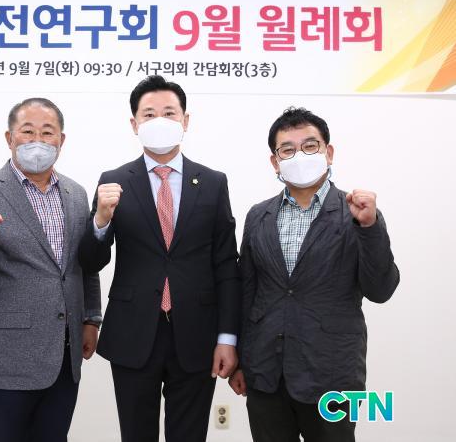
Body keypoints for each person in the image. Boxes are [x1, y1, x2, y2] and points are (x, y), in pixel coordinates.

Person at [78, 75, 241, 442]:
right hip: (133, 331)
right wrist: (100, 220)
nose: (160, 121)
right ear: (134, 124)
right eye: (149, 114)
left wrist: (227, 337)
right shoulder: (113, 180)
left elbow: (226, 265)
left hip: (197, 332)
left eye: (169, 113)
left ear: (185, 120)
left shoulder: (213, 182)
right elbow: (90, 261)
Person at [228, 107, 400, 442]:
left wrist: (370, 227)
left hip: (333, 375)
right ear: (275, 161)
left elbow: (381, 289)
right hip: (266, 373)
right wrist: (241, 362)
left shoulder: (356, 212)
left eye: (310, 146)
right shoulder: (259, 215)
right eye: (288, 149)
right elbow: (247, 291)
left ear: (328, 152)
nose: (300, 156)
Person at [0, 97, 102, 442]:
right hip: (4, 359)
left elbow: (85, 263)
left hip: (64, 355)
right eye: (28, 131)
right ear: (9, 137)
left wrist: (91, 318)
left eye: (47, 132)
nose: (37, 141)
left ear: (61, 139)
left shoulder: (76, 194)